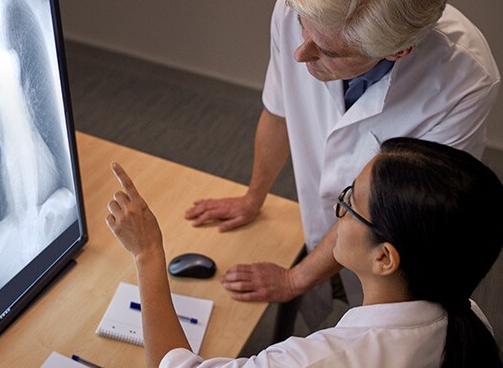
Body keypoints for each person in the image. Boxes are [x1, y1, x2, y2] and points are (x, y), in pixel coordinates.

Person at [184, 0, 500, 328]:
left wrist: (294, 279)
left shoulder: (464, 79)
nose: (299, 53)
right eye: (302, 28)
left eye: (329, 52)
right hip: (340, 223)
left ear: (398, 51)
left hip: (397, 246)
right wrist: (252, 197)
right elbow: (278, 112)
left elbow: (396, 210)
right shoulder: (300, 9)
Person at [106, 137, 503, 367]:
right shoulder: (473, 322)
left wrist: (148, 253)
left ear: (384, 257)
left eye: (350, 204)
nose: (336, 209)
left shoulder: (322, 359)